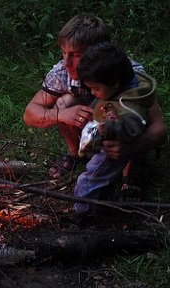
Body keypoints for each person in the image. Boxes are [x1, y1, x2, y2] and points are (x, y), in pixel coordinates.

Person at [23, 14, 166, 183]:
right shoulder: (62, 73)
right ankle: (76, 153)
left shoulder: (127, 72)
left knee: (128, 113)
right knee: (64, 103)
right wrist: (62, 114)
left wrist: (132, 146)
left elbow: (159, 128)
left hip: (123, 127)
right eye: (63, 52)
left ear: (98, 52)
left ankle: (131, 171)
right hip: (96, 125)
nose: (66, 62)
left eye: (75, 55)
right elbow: (30, 113)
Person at [72, 42, 156, 213]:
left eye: (95, 88)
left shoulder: (131, 103)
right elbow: (102, 100)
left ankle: (82, 211)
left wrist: (110, 128)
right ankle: (102, 200)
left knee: (88, 180)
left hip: (112, 153)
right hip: (104, 145)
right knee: (101, 179)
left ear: (115, 83)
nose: (93, 92)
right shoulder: (114, 88)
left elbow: (134, 126)